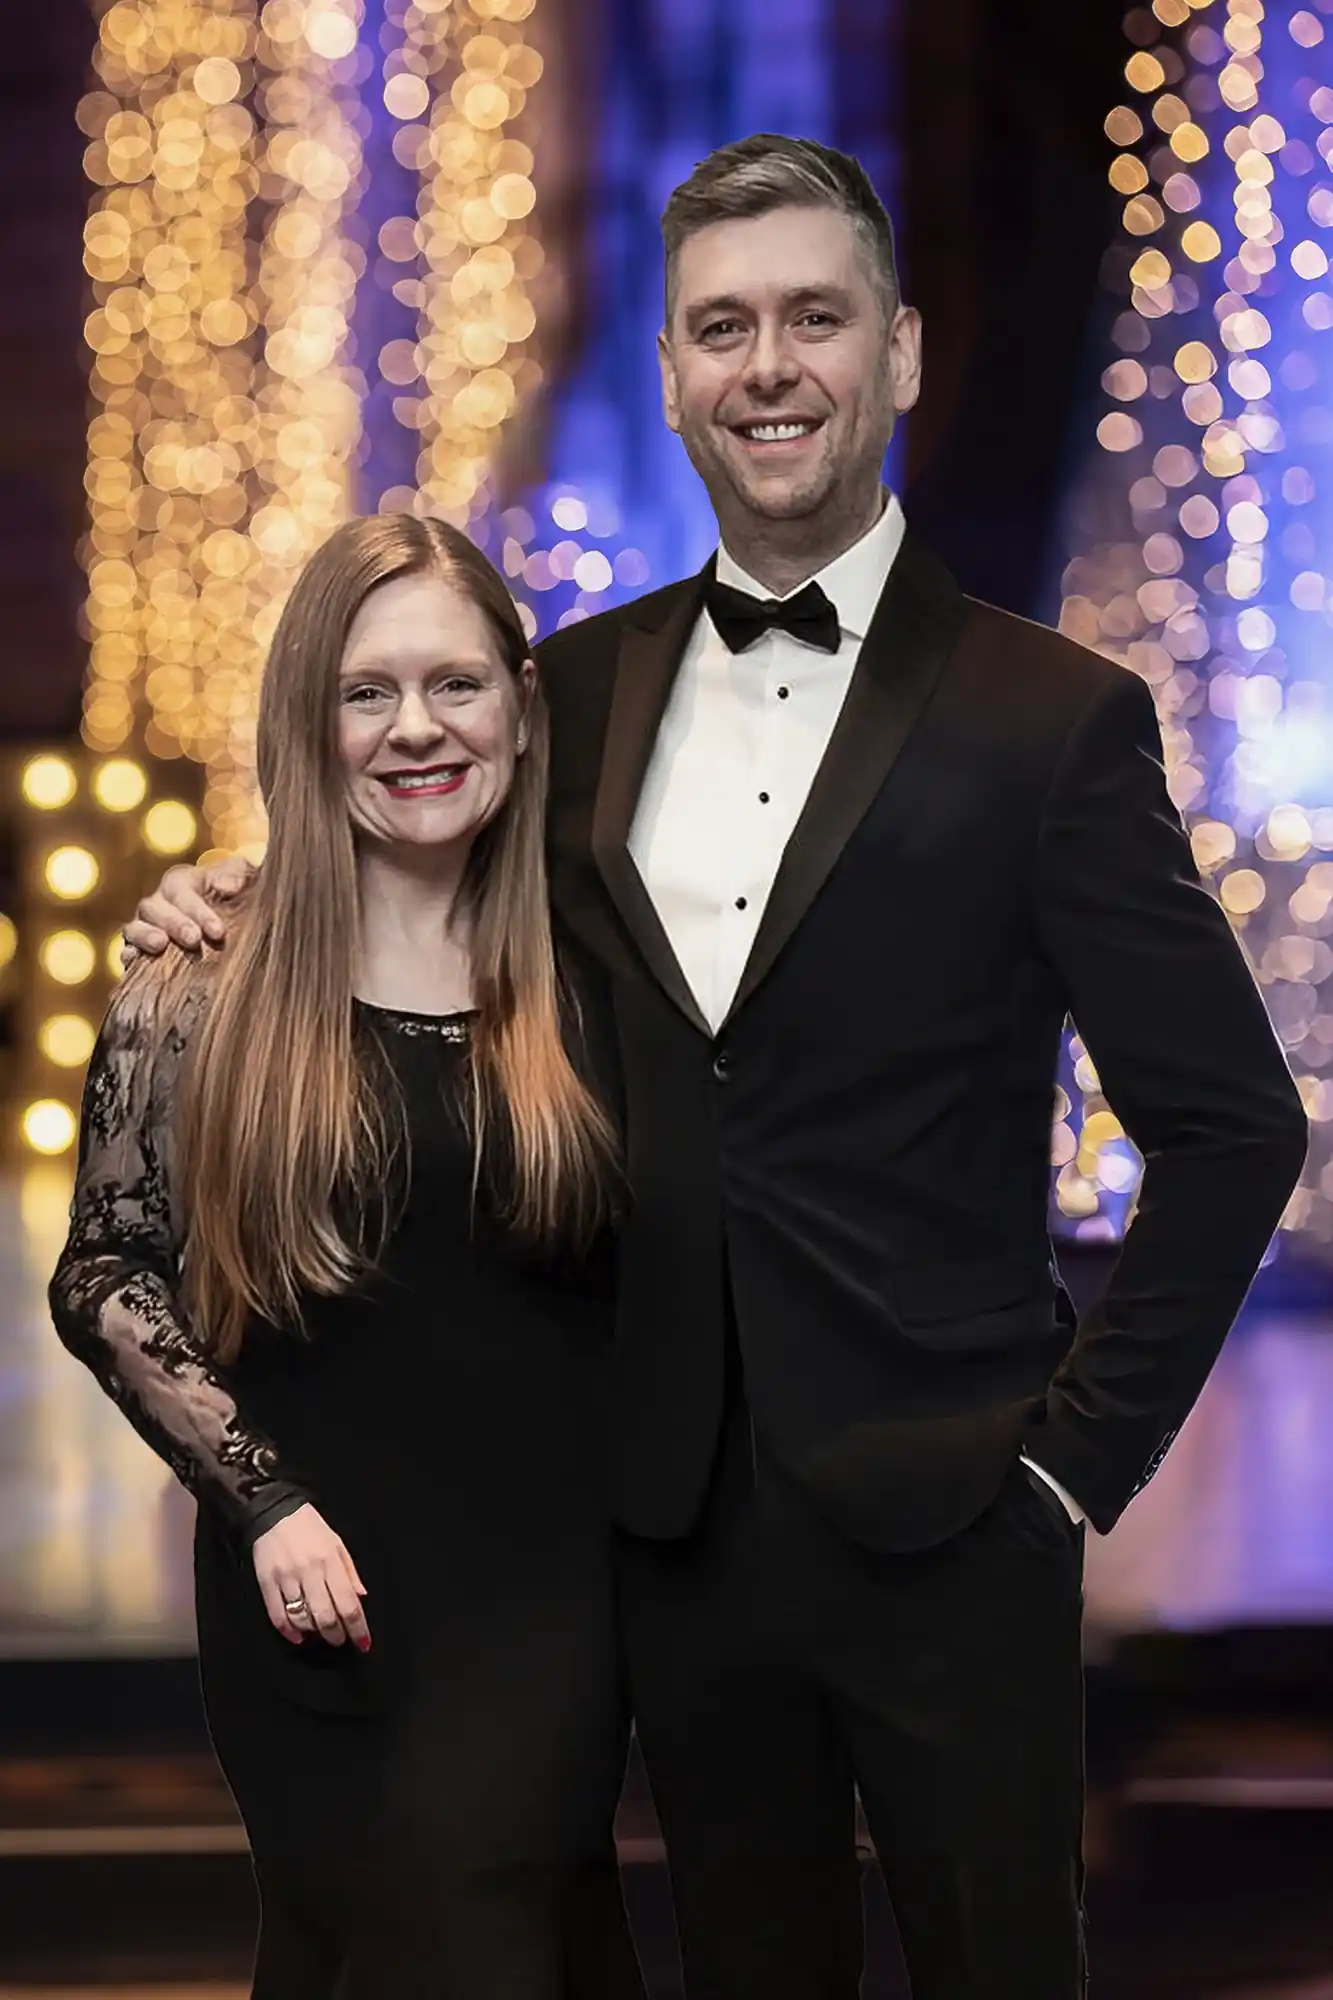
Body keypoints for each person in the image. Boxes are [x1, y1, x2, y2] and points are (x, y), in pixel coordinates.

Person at [125, 136, 1308, 2000]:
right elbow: (406, 828)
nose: (769, 366)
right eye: (722, 327)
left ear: (898, 354)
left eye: (815, 319)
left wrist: (1076, 1471)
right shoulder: (570, 694)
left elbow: (1237, 1129)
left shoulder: (1053, 720)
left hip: (962, 1524)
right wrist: (239, 897)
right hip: (662, 1543)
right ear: (674, 374)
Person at [53, 515, 645, 2000]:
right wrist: (266, 1507)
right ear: (306, 722)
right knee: (350, 1953)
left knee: (481, 1937)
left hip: (549, 1602)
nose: (416, 729)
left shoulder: (596, 975)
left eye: (455, 683)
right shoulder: (204, 979)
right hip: (315, 1592)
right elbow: (110, 1276)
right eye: (366, 691)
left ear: (518, 702)